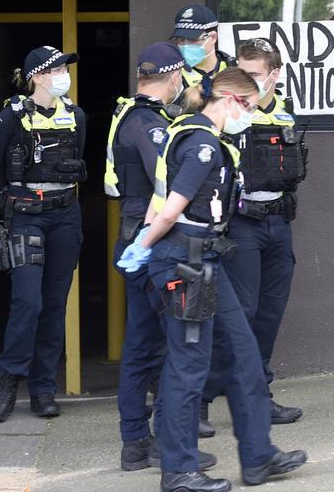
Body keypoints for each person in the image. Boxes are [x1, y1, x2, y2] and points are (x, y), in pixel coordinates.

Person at [117, 68, 306, 492]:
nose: (252, 116)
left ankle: (259, 456)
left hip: (205, 263)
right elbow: (170, 208)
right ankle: (179, 470)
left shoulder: (190, 133)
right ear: (231, 100)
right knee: (188, 366)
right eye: (251, 107)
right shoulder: (201, 142)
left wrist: (148, 237)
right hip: (184, 263)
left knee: (243, 355)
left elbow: (159, 198)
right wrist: (145, 245)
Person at [104, 44, 217, 472]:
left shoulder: (128, 115)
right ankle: (162, 443)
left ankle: (138, 442)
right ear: (173, 79)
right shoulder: (147, 123)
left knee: (145, 344)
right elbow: (167, 186)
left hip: (137, 238)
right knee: (172, 346)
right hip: (150, 242)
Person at [200, 39, 306, 434]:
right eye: (241, 74)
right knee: (235, 315)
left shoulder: (284, 113)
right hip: (241, 224)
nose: (245, 84)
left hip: (278, 223)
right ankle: (202, 400)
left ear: (275, 75)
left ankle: (258, 395)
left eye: (255, 76)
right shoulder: (228, 115)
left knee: (269, 313)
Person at [0, 46, 86, 423]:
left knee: (55, 304)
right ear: (38, 76)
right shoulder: (11, 116)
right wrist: (11, 204)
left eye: (65, 69)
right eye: (57, 69)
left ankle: (43, 388)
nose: (64, 74)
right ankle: (9, 382)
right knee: (29, 302)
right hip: (26, 218)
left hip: (65, 215)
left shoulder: (75, 116)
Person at [171, 5, 235, 100]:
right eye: (180, 39)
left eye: (193, 39)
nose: (185, 45)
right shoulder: (173, 75)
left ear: (213, 38)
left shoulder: (233, 69)